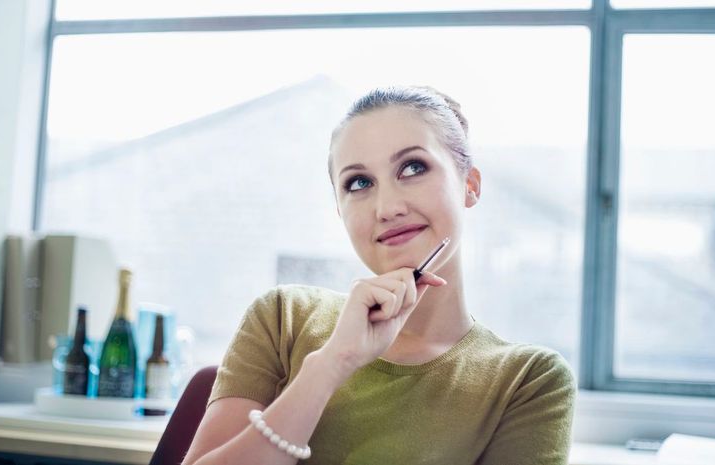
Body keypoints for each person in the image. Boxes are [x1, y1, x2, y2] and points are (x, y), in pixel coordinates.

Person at [182, 85, 576, 465]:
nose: (386, 207)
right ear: (341, 211)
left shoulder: (527, 380)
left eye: (413, 167)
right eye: (359, 183)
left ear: (469, 185)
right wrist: (333, 362)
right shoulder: (283, 317)